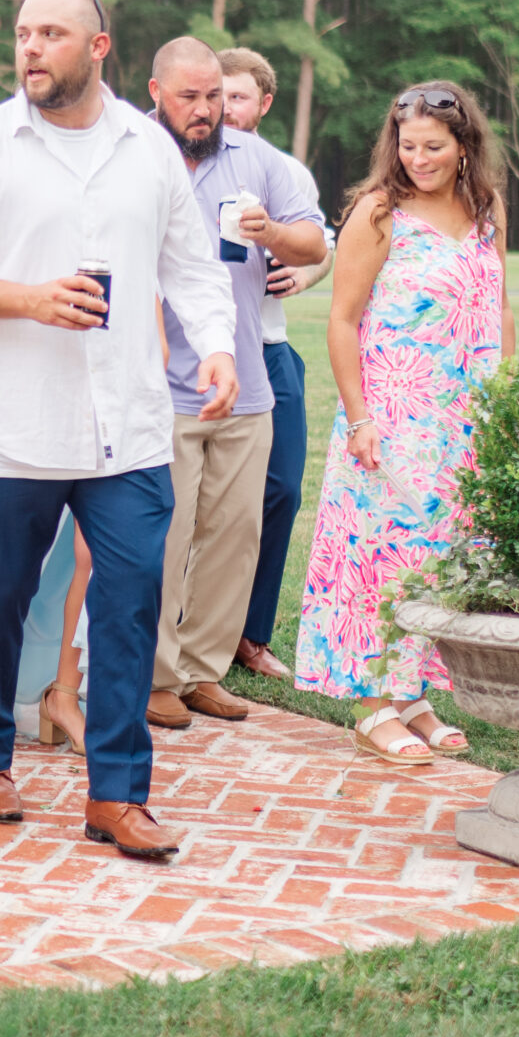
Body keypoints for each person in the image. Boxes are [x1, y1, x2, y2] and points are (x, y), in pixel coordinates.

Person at [0, 0, 238, 854]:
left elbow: (192, 265)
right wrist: (29, 300)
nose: (30, 48)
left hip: (126, 424)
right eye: (22, 33)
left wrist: (216, 346)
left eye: (51, 34)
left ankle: (117, 796)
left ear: (97, 48)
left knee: (128, 602)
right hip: (10, 424)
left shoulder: (148, 148)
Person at [294, 82, 514, 765]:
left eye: (434, 147)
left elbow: (501, 306)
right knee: (378, 553)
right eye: (408, 145)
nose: (419, 158)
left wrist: (509, 398)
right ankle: (370, 702)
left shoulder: (486, 208)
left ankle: (414, 693)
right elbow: (342, 320)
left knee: (439, 554)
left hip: (464, 416)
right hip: (391, 415)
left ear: (464, 146)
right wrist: (359, 414)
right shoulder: (378, 212)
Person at [144, 40, 326, 731]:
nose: (205, 110)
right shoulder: (139, 155)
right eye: (190, 97)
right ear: (156, 91)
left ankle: (201, 669)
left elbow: (315, 242)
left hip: (247, 381)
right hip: (164, 382)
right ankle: (155, 674)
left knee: (234, 532)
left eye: (215, 96)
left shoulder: (257, 161)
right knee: (165, 531)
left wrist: (271, 229)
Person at [217, 48, 334, 681]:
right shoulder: (189, 159)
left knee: (283, 489)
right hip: (204, 354)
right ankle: (189, 627)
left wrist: (303, 272)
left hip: (270, 346)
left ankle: (251, 635)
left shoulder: (283, 171)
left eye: (239, 97)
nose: (226, 107)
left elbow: (323, 250)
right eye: (218, 94)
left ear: (264, 104)